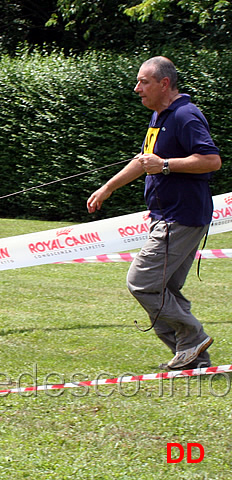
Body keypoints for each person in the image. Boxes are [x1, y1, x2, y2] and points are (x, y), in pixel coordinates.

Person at [87, 56, 221, 370]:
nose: (137, 89)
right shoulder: (161, 116)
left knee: (141, 282)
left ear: (164, 83)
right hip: (170, 216)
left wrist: (165, 165)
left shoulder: (185, 115)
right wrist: (108, 187)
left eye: (144, 82)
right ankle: (193, 357)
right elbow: (144, 159)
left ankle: (193, 337)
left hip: (181, 217)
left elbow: (211, 160)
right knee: (165, 289)